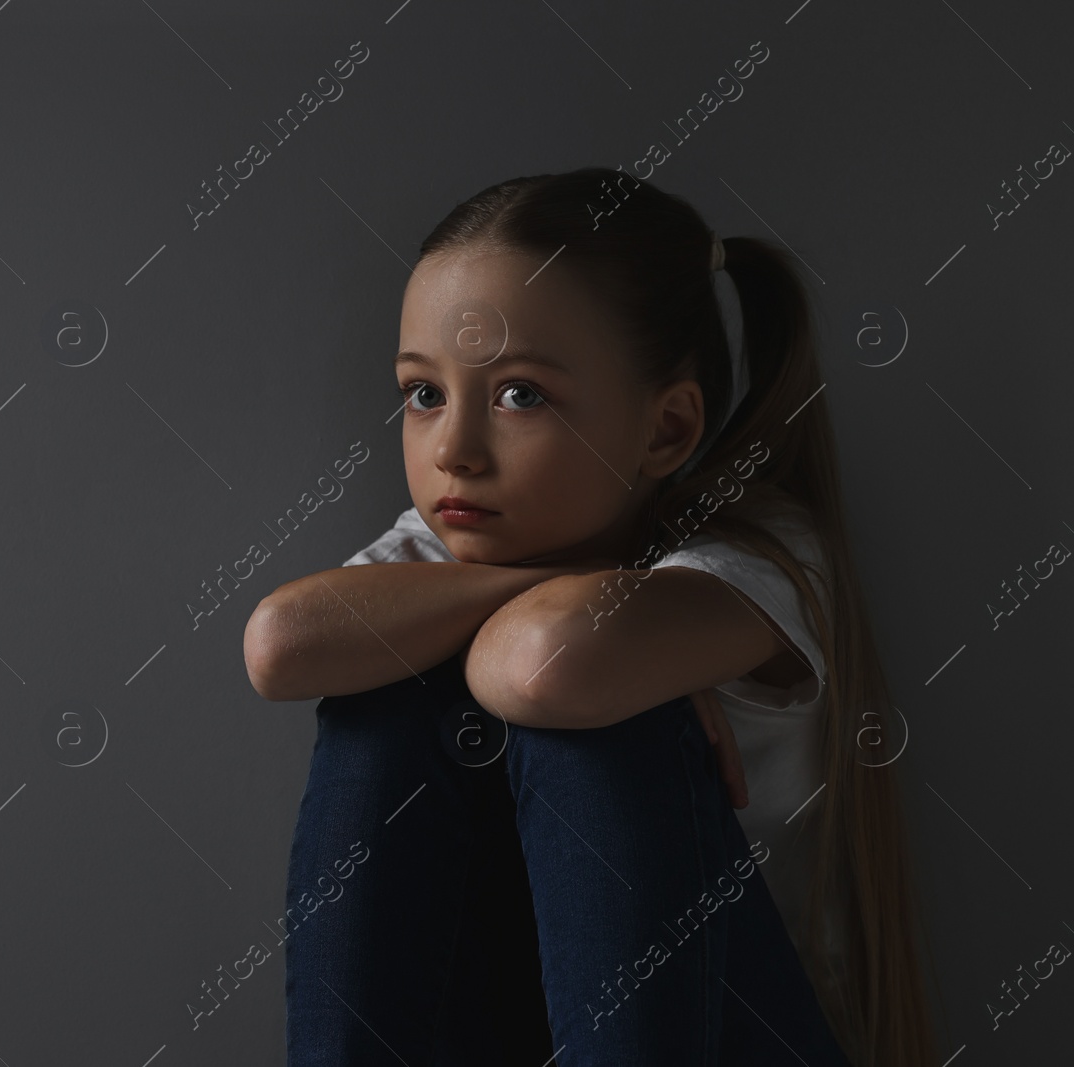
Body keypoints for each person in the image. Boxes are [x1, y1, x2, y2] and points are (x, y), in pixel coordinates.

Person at [242, 168, 942, 1065]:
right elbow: (278, 646)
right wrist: (564, 580)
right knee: (387, 691)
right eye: (424, 393)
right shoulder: (455, 543)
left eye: (519, 394)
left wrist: (562, 606)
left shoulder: (753, 550)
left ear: (666, 430)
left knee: (600, 709)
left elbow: (545, 665)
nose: (454, 449)